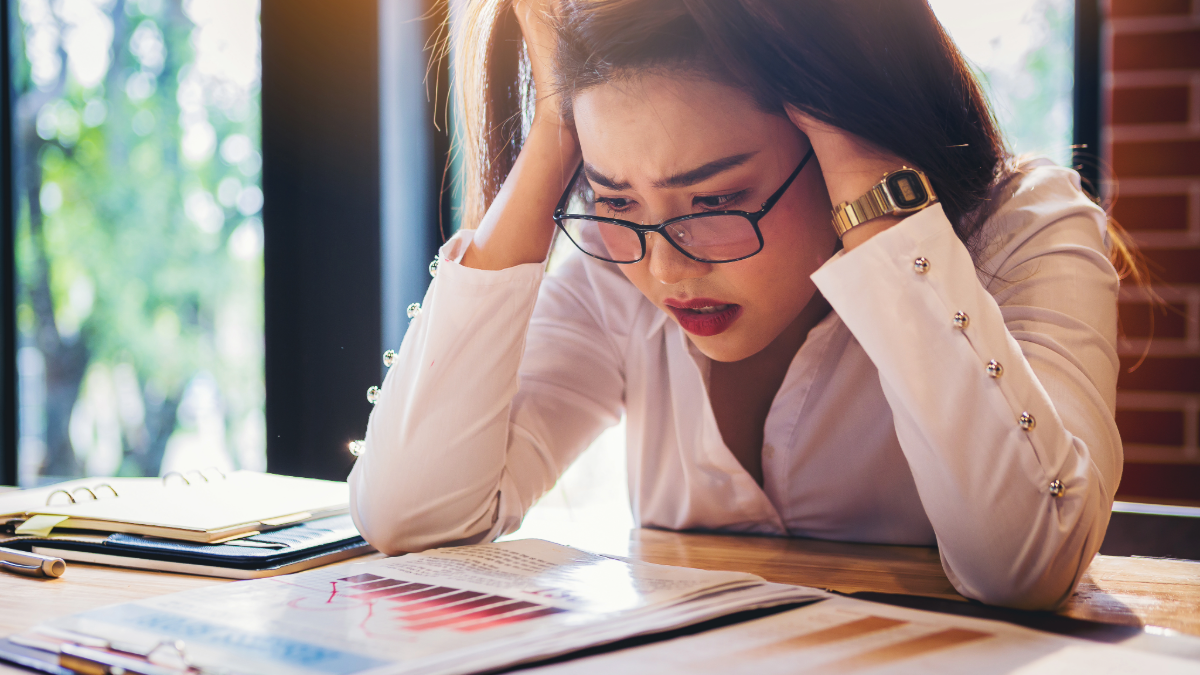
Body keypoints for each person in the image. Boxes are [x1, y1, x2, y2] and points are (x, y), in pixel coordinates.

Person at [350, 0, 1132, 610]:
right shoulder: (615, 272)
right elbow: (410, 514)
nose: (663, 263)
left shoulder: (1022, 233)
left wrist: (863, 156)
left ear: (837, 134)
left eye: (717, 197)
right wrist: (555, 128)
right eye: (614, 196)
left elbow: (1025, 562)